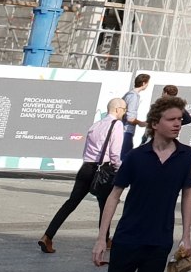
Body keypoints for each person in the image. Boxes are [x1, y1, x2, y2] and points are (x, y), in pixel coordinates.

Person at [92, 94, 191, 272]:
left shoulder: (186, 155)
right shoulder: (136, 157)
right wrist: (101, 238)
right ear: (155, 124)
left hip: (159, 241)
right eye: (171, 119)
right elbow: (114, 195)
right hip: (127, 239)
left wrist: (186, 236)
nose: (177, 123)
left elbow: (187, 194)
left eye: (179, 119)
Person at [40, 99, 130, 253]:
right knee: (105, 205)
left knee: (71, 203)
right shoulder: (117, 125)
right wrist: (121, 169)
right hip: (103, 170)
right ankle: (105, 239)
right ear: (117, 109)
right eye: (124, 109)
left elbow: (87, 149)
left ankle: (47, 236)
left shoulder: (95, 125)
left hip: (86, 168)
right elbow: (115, 154)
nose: (125, 112)